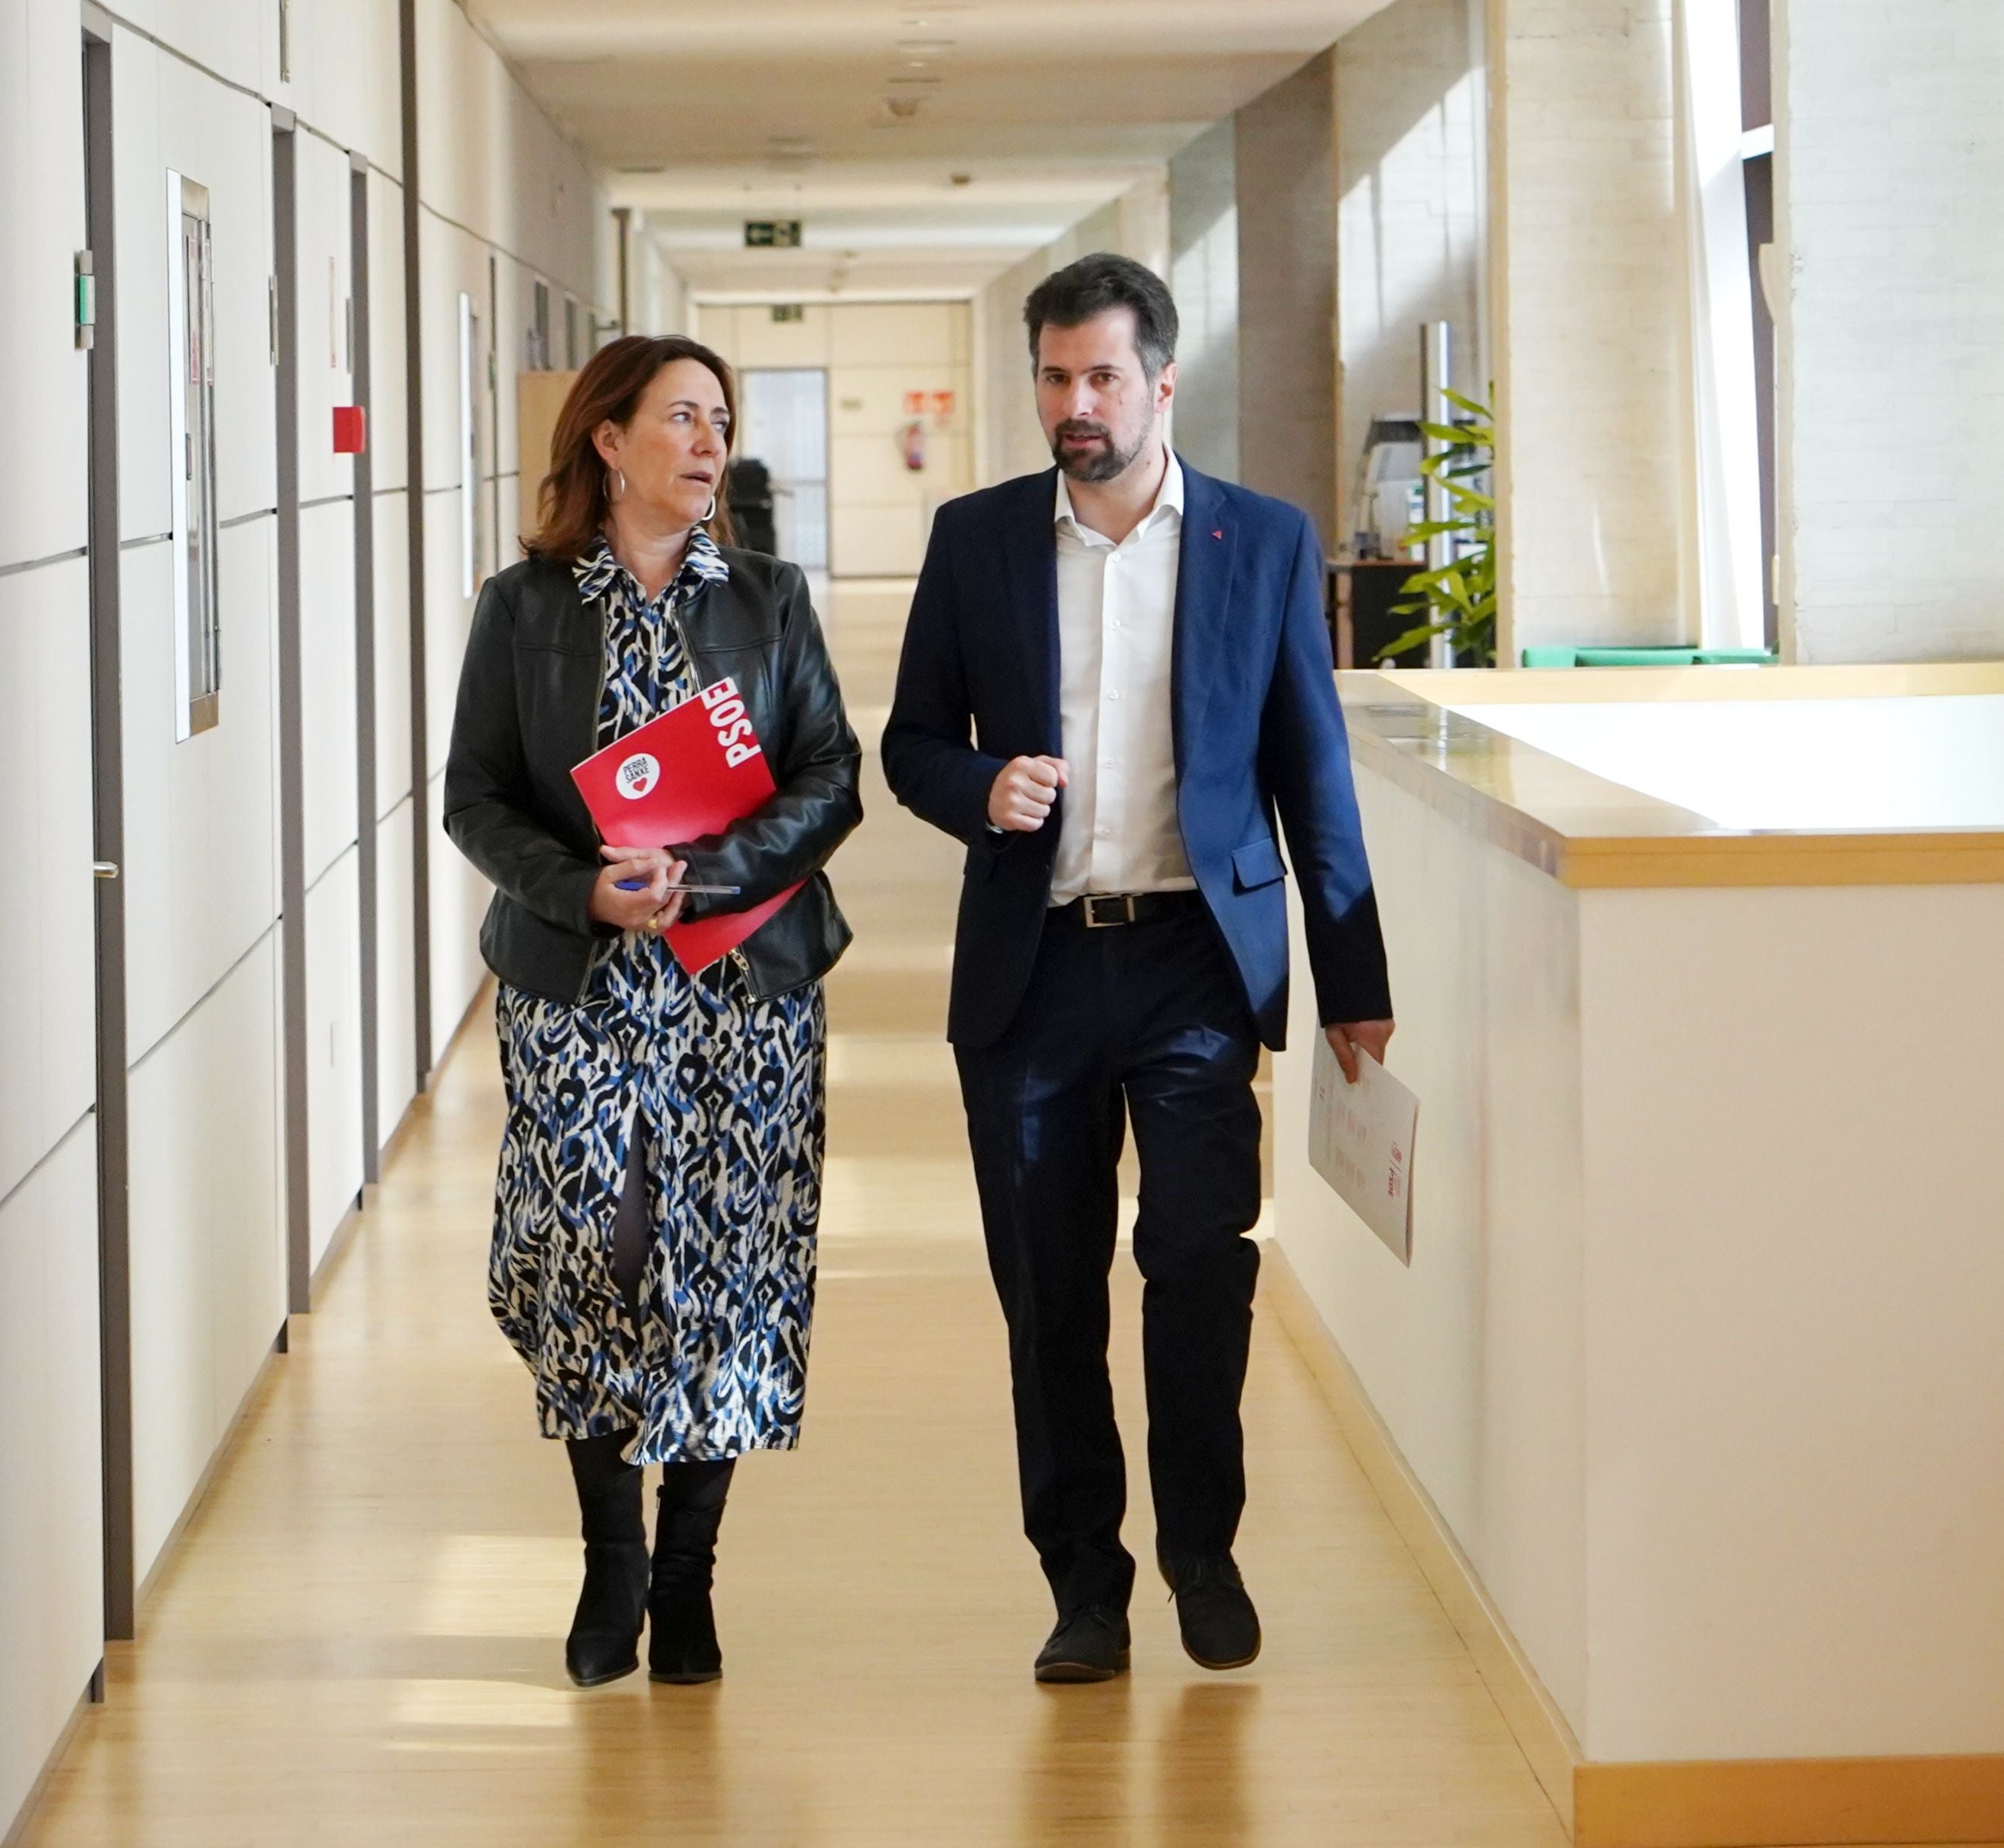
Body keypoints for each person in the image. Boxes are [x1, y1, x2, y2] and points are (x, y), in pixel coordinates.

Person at [881, 254, 1394, 1683]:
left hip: (1190, 963)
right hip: (1030, 971)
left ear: (1162, 383)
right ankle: (1084, 1586)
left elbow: (1312, 772)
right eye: (1052, 378)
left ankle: (1201, 1550)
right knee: (1046, 1289)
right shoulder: (977, 539)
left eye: (1101, 377)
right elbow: (910, 739)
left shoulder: (1263, 542)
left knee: (1197, 1263)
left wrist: (1350, 977)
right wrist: (980, 788)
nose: (1075, 405)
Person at [443, 334, 861, 1689]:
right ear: (606, 441)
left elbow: (829, 776)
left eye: (720, 421)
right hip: (580, 987)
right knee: (589, 1254)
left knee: (724, 1269)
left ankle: (683, 1576)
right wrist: (582, 890)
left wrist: (709, 878)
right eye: (679, 418)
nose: (707, 444)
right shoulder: (521, 609)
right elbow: (477, 798)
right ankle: (606, 1552)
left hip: (738, 986)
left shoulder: (771, 598)